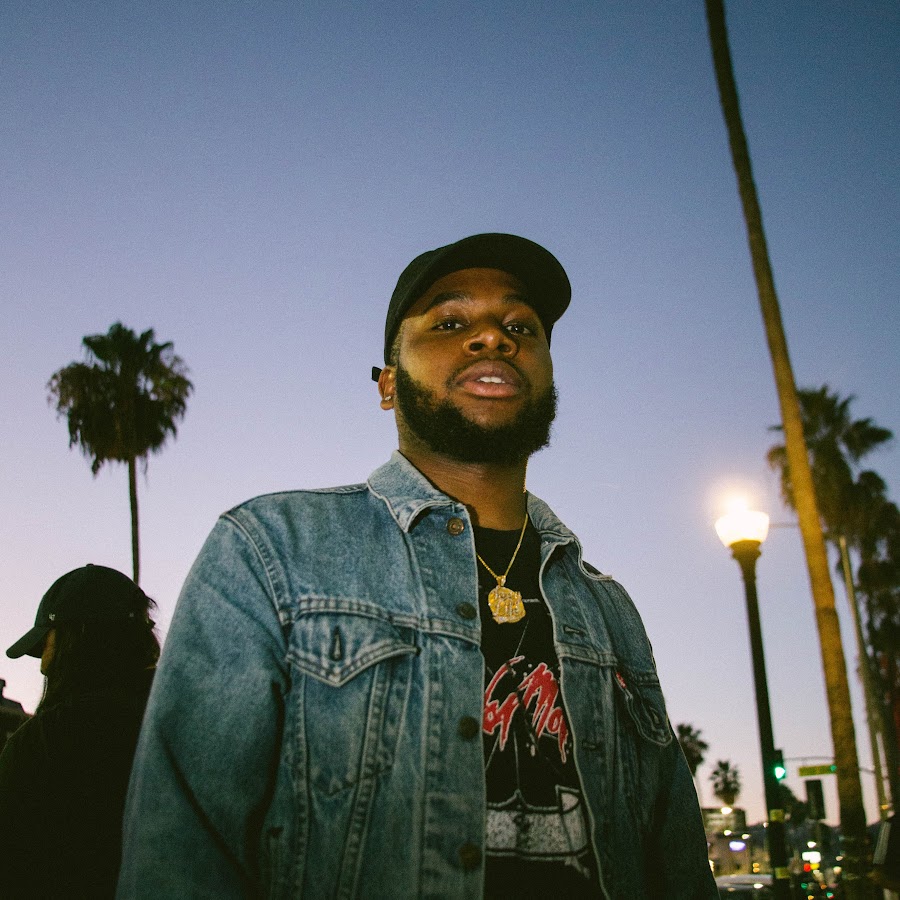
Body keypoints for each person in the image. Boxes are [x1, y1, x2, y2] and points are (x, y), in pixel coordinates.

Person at [118, 233, 718, 899]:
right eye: (451, 323)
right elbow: (178, 857)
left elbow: (676, 863)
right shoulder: (271, 550)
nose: (493, 337)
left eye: (521, 326)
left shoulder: (608, 607)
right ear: (387, 384)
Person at [0, 564, 160, 898]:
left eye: (46, 643)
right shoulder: (188, 726)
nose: (42, 665)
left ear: (74, 639)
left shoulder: (42, 744)